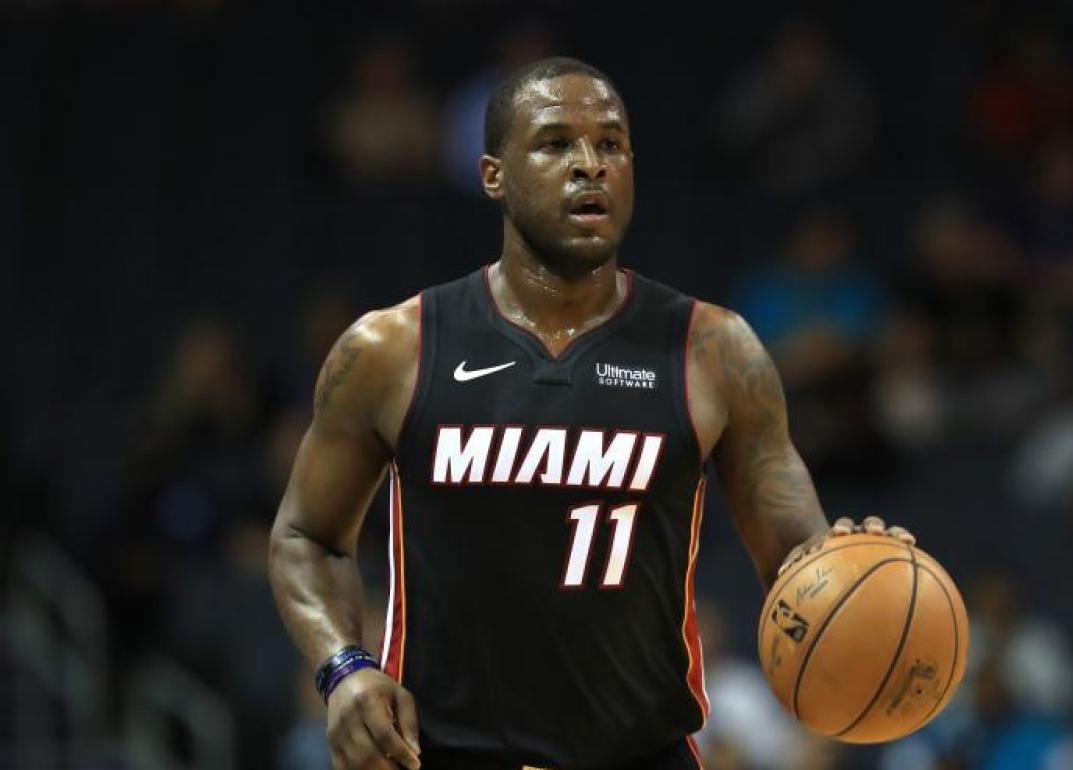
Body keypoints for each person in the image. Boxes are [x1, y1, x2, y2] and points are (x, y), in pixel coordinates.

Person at [268, 57, 915, 770]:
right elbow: (306, 535)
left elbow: (798, 559)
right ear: (494, 175)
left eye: (611, 145)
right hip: (443, 754)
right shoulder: (393, 348)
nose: (590, 166)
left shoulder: (714, 351)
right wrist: (342, 666)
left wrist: (854, 574)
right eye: (556, 144)